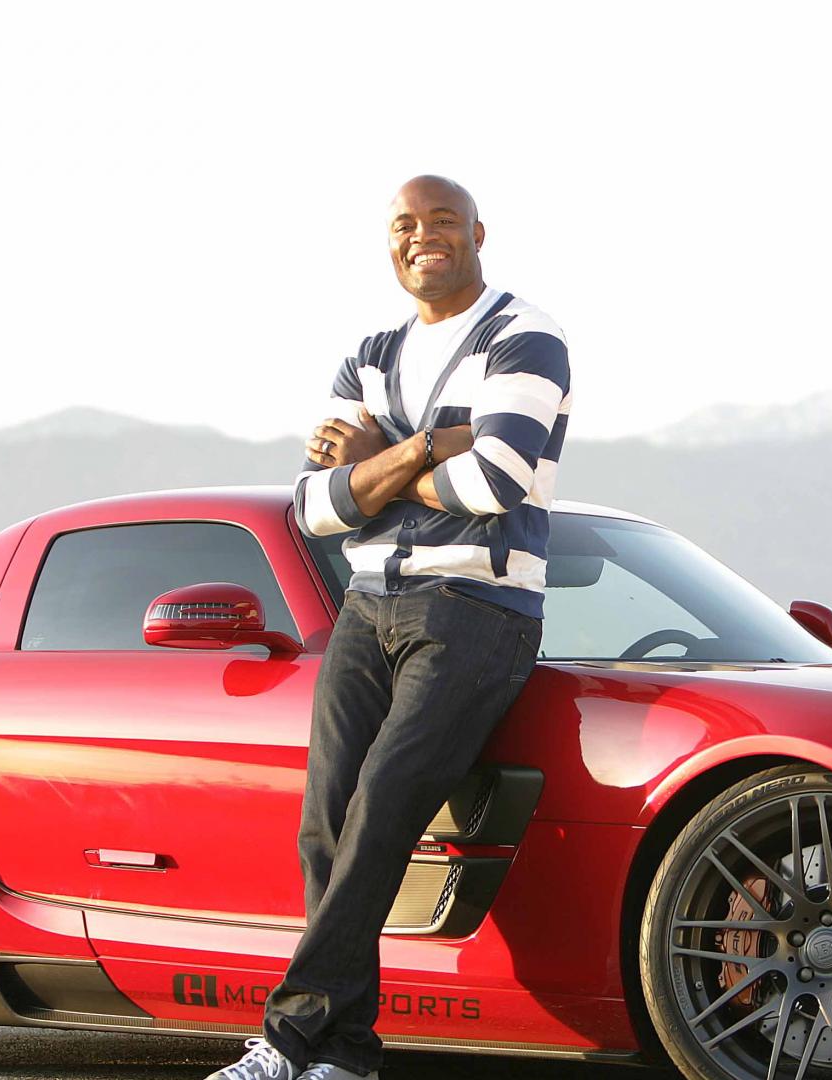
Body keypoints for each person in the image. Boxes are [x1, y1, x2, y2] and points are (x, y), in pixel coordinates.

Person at [207, 176, 571, 1080]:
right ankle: (345, 1054)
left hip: (477, 610)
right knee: (326, 826)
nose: (423, 236)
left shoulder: (524, 337)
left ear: (478, 232)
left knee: (381, 811)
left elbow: (494, 484)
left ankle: (287, 1037)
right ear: (390, 241)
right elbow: (312, 508)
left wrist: (375, 464)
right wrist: (425, 449)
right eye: (405, 224)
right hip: (366, 609)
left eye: (442, 220)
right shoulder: (371, 356)